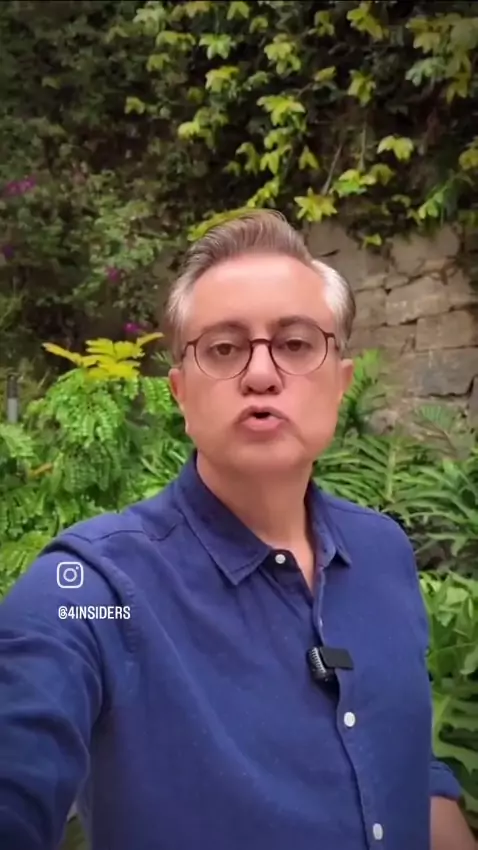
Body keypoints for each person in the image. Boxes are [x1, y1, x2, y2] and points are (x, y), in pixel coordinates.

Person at [0, 211, 475, 850]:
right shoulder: (93, 592)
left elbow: (409, 767)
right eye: (224, 349)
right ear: (180, 393)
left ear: (340, 384)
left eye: (296, 343)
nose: (260, 374)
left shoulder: (382, 550)